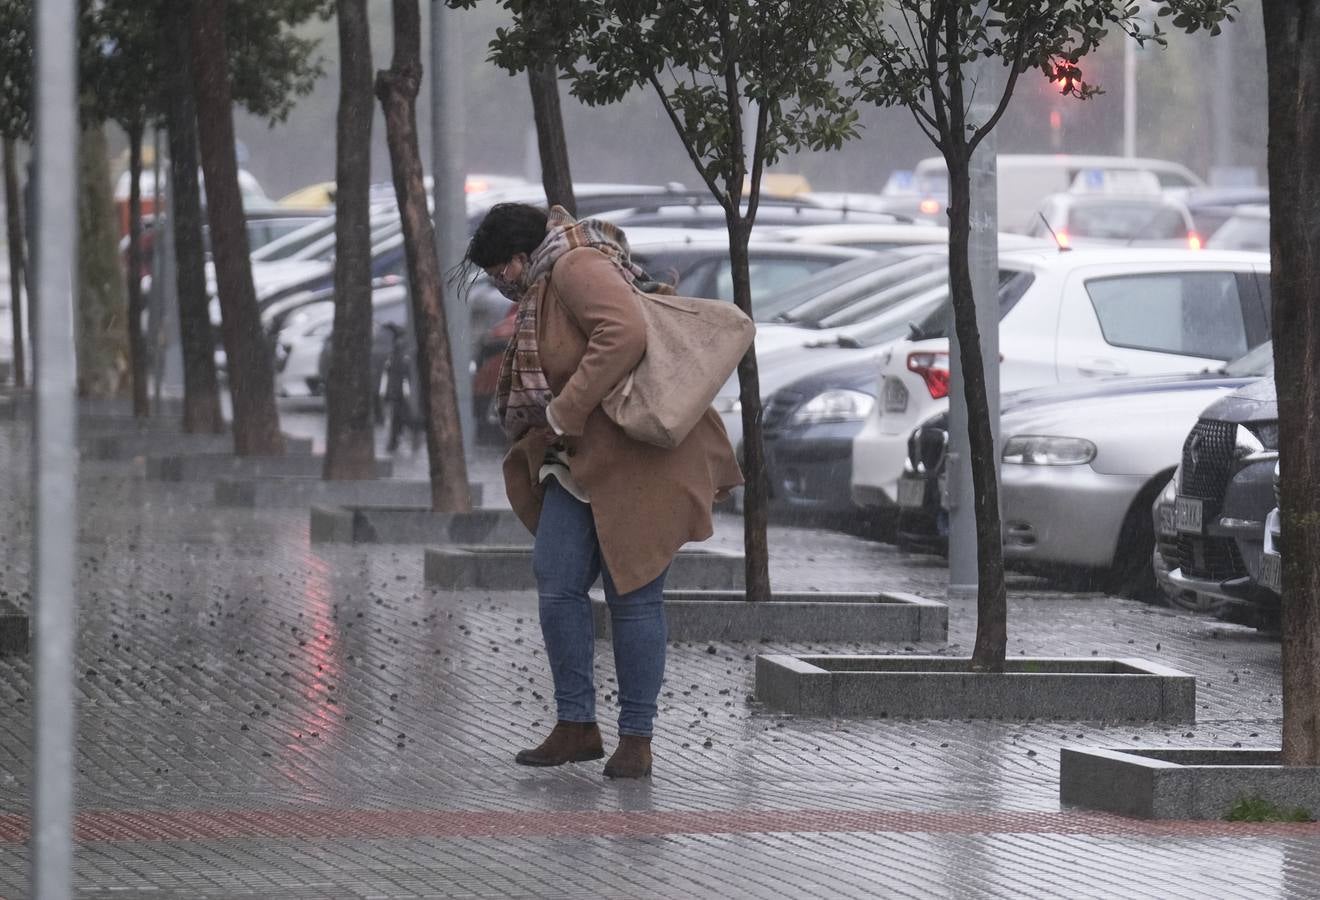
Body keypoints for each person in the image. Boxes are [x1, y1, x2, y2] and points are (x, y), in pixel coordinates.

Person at [460, 202, 743, 779]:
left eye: (498, 272)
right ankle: (576, 724)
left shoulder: (573, 267)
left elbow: (625, 332)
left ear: (519, 257)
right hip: (582, 456)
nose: (499, 285)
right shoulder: (547, 280)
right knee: (557, 576)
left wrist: (566, 407)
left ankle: (636, 737)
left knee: (632, 591)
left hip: (637, 453)